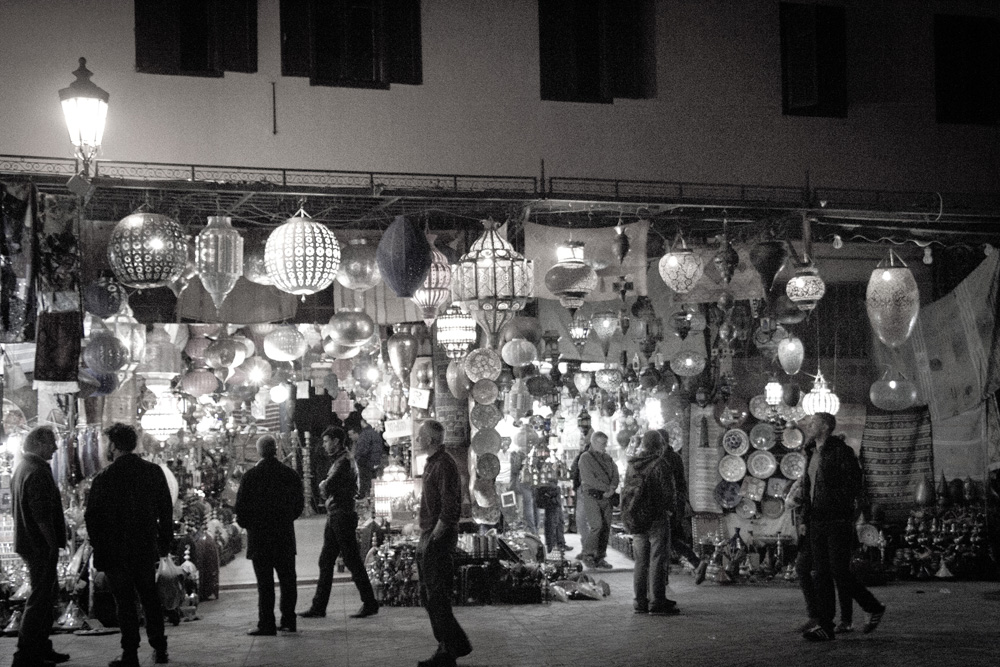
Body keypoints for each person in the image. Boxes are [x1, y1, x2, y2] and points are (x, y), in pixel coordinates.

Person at [85, 423, 173, 667]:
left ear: (113, 445)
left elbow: (92, 518)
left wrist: (100, 550)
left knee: (125, 603)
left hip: (116, 552)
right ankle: (160, 647)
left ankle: (130, 654)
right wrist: (164, 542)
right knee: (150, 598)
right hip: (145, 547)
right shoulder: (152, 471)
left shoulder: (104, 478)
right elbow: (166, 510)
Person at [796, 412, 886, 642]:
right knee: (821, 573)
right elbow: (809, 490)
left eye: (813, 422)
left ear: (825, 427)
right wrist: (805, 518)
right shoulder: (811, 452)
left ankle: (872, 606)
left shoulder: (841, 452)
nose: (809, 425)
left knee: (838, 572)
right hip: (817, 520)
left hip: (836, 520)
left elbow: (855, 485)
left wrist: (843, 510)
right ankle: (826, 625)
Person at [299, 426, 379, 619]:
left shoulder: (343, 462)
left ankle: (369, 602)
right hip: (337, 514)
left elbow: (327, 487)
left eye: (327, 441)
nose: (325, 445)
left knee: (351, 560)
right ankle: (319, 606)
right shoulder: (341, 460)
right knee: (327, 560)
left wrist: (324, 486)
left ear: (336, 441)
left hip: (341, 515)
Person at [233, 434, 305, 637]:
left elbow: (241, 509)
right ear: (276, 450)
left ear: (259, 452)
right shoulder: (289, 474)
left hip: (260, 538)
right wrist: (286, 519)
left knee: (265, 584)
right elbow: (299, 504)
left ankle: (267, 623)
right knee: (288, 580)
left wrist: (249, 526)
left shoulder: (251, 476)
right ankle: (289, 620)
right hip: (283, 535)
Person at [415, 420, 472, 667]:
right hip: (430, 533)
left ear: (430, 440)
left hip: (438, 536)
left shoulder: (445, 464)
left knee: (437, 595)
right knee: (429, 595)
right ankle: (450, 645)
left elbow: (450, 506)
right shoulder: (433, 463)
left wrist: (435, 535)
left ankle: (450, 649)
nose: (417, 440)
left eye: (420, 436)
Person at [11, 426, 69, 667]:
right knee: (39, 599)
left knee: (45, 597)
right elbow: (41, 514)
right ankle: (26, 654)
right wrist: (52, 544)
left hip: (30, 543)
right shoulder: (36, 471)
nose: (55, 448)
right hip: (39, 546)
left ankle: (42, 647)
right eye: (51, 443)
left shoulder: (23, 468)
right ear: (38, 443)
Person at [623, 431, 678, 615]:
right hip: (656, 518)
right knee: (657, 559)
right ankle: (657, 600)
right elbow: (668, 492)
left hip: (637, 517)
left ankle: (639, 601)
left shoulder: (632, 465)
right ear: (659, 445)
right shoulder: (660, 464)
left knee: (640, 560)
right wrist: (669, 509)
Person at [656, 428, 706, 583]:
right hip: (674, 506)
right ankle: (695, 563)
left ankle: (662, 577)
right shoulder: (674, 457)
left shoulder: (663, 459)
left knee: (664, 540)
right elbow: (681, 484)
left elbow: (670, 486)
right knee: (670, 540)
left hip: (667, 507)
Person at [577, 430, 619, 570]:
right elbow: (589, 479)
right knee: (597, 526)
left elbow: (615, 474)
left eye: (605, 444)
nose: (604, 446)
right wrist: (607, 489)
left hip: (607, 497)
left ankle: (600, 557)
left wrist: (612, 487)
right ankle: (588, 555)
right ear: (594, 442)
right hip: (592, 497)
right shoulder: (585, 458)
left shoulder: (607, 458)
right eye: (602, 443)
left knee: (606, 527)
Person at [350, 419, 385, 498]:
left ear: (363, 422)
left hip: (366, 462)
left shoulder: (365, 434)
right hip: (376, 461)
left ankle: (365, 497)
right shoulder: (376, 432)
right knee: (374, 482)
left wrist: (357, 458)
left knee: (366, 483)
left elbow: (362, 450)